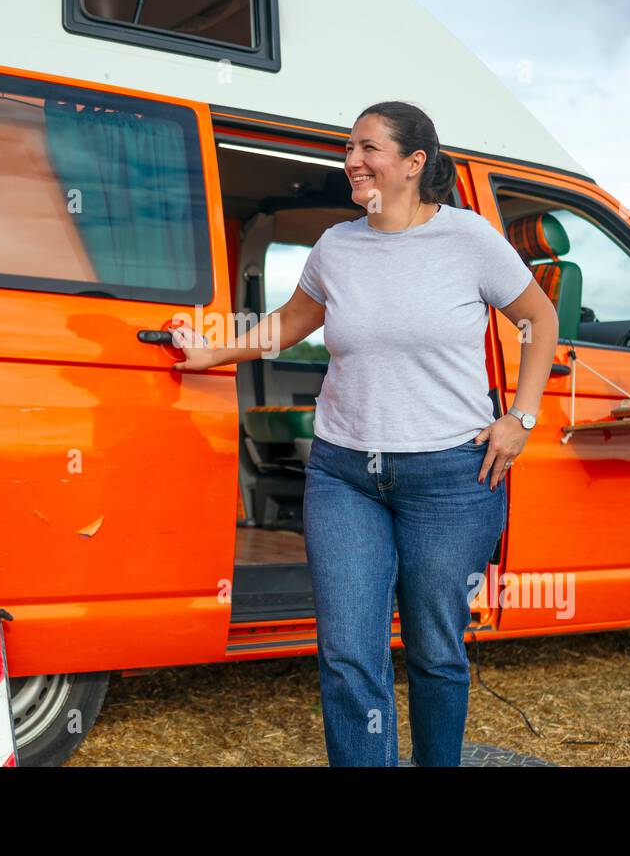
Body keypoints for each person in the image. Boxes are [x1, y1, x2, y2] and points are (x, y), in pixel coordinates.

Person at [171, 100, 558, 766]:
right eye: (348, 148)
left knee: (436, 649)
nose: (351, 160)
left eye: (367, 147)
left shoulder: (467, 239)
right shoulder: (337, 246)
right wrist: (210, 354)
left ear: (414, 163)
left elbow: (539, 319)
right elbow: (289, 325)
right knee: (349, 650)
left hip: (450, 476)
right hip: (344, 472)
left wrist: (520, 417)